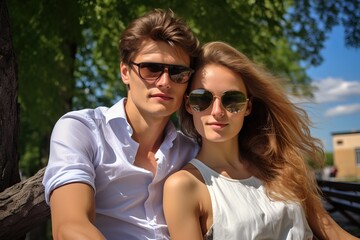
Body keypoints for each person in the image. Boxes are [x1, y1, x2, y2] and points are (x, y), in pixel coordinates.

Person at [163, 41, 359, 240]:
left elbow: (334, 233)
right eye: (201, 99)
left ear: (248, 107)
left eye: (232, 100)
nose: (217, 112)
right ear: (188, 104)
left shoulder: (281, 168)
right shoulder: (184, 186)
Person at [42, 9, 200, 240]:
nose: (165, 82)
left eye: (178, 73)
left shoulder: (192, 151)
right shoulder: (82, 130)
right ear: (125, 72)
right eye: (151, 69)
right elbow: (69, 227)